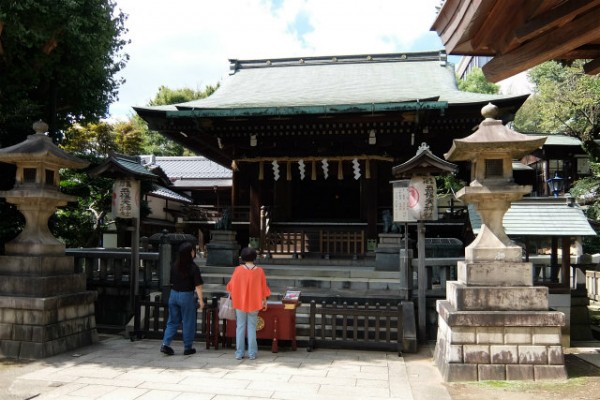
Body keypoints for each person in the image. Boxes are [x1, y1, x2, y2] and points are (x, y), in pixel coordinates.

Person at [226, 247, 271, 360]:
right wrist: (264, 301)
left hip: (240, 302)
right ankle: (252, 353)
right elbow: (264, 288)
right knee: (251, 327)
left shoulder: (238, 270)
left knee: (240, 326)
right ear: (255, 257)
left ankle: (239, 353)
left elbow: (230, 286)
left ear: (242, 257)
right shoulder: (260, 271)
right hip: (255, 302)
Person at [160, 241, 204, 356]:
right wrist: (201, 300)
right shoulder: (193, 267)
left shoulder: (175, 265)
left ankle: (165, 344)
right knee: (188, 321)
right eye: (193, 251)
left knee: (172, 321)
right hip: (186, 296)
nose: (194, 252)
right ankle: (188, 347)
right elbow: (198, 286)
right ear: (189, 253)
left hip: (173, 294)